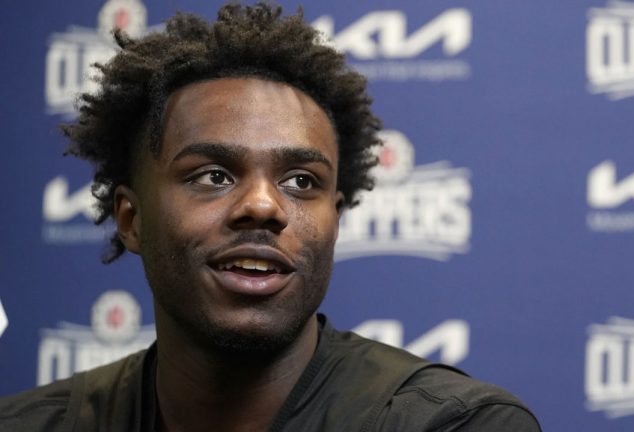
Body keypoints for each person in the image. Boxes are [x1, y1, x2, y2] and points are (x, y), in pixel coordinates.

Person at [0, 3, 541, 431]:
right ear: (130, 218)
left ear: (336, 218)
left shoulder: (452, 424)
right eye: (213, 175)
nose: (263, 206)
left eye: (301, 182)